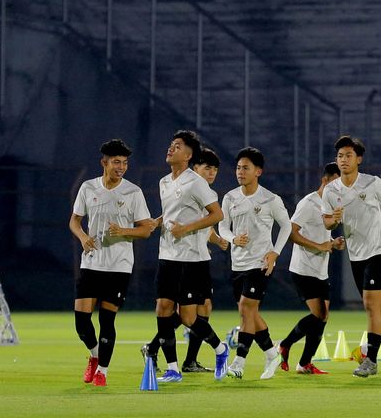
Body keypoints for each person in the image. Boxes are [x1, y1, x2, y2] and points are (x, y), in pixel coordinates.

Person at [321, 135, 381, 378]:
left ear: (358, 159)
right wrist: (334, 220)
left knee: (371, 304)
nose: (343, 160)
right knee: (378, 309)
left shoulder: (371, 183)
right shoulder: (331, 191)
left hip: (379, 250)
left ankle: (371, 360)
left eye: (348, 155)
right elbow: (327, 222)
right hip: (357, 253)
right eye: (340, 156)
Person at [68, 139, 155, 387]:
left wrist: (123, 231)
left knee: (107, 321)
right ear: (104, 163)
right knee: (81, 323)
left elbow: (146, 230)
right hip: (91, 262)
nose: (121, 167)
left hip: (119, 265)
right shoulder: (88, 187)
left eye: (125, 163)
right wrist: (84, 237)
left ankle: (102, 372)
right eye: (116, 162)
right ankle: (95, 356)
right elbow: (74, 220)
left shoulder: (133, 192)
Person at [141, 147, 229, 373]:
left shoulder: (203, 191)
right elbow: (178, 217)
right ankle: (174, 360)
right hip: (180, 259)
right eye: (207, 167)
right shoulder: (178, 184)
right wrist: (158, 221)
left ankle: (179, 357)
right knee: (178, 311)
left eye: (215, 170)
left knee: (195, 312)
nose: (211, 173)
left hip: (197, 259)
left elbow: (205, 222)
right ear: (194, 166)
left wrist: (217, 239)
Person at [218, 147, 292, 379]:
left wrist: (274, 253)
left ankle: (239, 361)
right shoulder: (230, 197)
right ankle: (271, 352)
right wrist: (232, 239)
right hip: (237, 264)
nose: (240, 172)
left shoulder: (270, 199)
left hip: (260, 263)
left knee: (245, 308)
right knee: (250, 312)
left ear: (258, 171)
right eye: (238, 168)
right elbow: (222, 226)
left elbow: (287, 226)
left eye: (246, 168)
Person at [278, 162, 345, 375]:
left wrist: (333, 242)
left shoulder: (330, 207)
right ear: (325, 180)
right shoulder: (309, 203)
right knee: (319, 314)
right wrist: (319, 246)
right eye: (335, 184)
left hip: (320, 269)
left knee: (323, 317)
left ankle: (304, 363)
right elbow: (291, 232)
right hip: (303, 268)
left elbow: (322, 235)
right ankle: (285, 344)